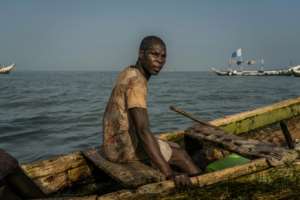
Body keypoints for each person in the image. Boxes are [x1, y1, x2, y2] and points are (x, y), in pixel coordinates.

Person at [102, 36, 201, 187]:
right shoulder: (137, 83)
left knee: (173, 146)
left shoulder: (129, 72)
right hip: (123, 151)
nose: (160, 60)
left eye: (163, 56)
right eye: (154, 54)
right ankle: (202, 184)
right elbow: (143, 131)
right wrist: (169, 173)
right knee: (181, 155)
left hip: (112, 145)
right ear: (141, 54)